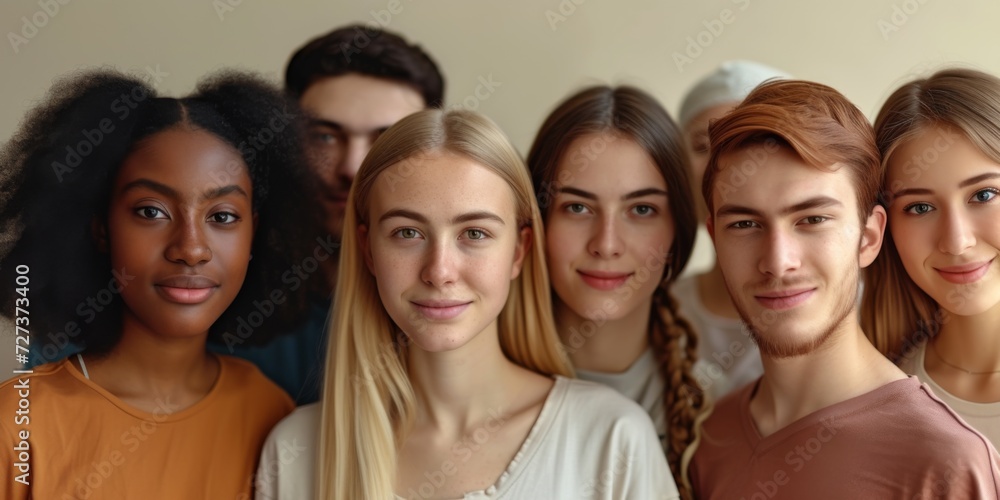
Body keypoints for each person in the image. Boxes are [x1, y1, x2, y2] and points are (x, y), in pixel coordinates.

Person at [255, 109, 676, 499]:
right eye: (407, 233)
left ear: (518, 251)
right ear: (368, 250)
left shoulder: (611, 438)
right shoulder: (294, 451)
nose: (439, 271)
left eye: (474, 234)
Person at [0, 69, 309, 498]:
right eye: (151, 211)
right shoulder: (17, 423)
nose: (191, 248)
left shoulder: (270, 414)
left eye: (221, 217)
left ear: (254, 233)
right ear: (100, 228)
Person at [690, 78, 1000, 498]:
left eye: (813, 219)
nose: (778, 262)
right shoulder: (711, 436)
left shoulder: (946, 462)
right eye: (744, 225)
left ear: (870, 237)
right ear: (714, 237)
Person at [205, 24, 447, 404]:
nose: (352, 167)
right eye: (325, 136)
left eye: (386, 140)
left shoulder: (459, 302)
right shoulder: (215, 284)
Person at [526, 85, 707, 497]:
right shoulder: (468, 390)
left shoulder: (721, 404)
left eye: (641, 210)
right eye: (577, 207)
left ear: (677, 229)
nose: (606, 243)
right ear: (534, 221)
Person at [862, 68, 1000, 449]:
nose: (956, 241)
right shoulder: (872, 403)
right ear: (883, 228)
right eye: (920, 207)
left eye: (984, 195)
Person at [676, 60, 790, 400]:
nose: (723, 162)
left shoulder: (858, 304)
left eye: (752, 140)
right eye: (702, 145)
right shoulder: (657, 310)